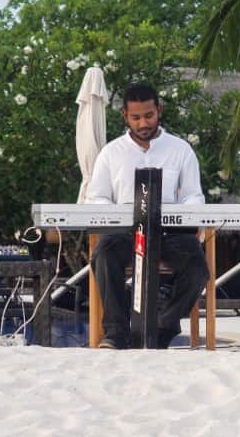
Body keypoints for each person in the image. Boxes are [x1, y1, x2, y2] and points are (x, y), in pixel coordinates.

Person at [86, 83, 208, 349]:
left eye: (149, 116)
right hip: (126, 233)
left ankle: (163, 329)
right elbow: (97, 198)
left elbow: (193, 196)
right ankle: (116, 333)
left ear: (159, 111)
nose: (143, 123)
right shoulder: (111, 153)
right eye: (136, 117)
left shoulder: (180, 149)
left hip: (169, 233)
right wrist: (119, 215)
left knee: (198, 268)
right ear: (125, 117)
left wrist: (186, 216)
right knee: (103, 255)